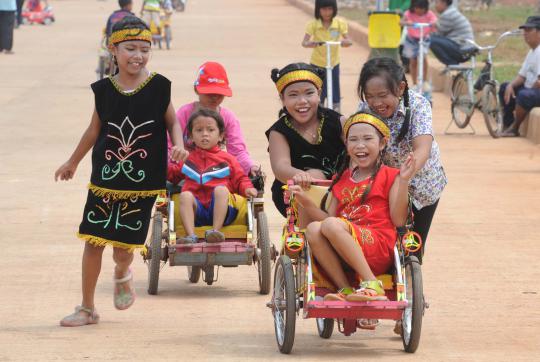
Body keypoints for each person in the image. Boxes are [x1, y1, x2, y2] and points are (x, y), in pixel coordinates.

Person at [54, 16, 188, 327]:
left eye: (145, 49)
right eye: (130, 48)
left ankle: (122, 271)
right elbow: (93, 130)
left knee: (123, 249)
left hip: (142, 181)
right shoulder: (104, 91)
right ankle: (87, 308)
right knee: (93, 239)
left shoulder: (159, 87)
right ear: (113, 49)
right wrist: (72, 161)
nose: (138, 55)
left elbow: (172, 122)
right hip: (105, 176)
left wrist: (179, 144)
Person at [289, 112, 416, 329]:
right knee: (312, 229)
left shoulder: (391, 175)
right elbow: (328, 221)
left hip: (378, 243)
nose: (360, 145)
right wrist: (307, 203)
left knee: (330, 224)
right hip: (344, 243)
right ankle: (345, 288)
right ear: (346, 145)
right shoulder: (341, 181)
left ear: (382, 143)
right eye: (353, 140)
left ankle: (371, 284)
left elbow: (398, 219)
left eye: (368, 139)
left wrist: (403, 180)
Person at [356, 57, 447, 263]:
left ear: (400, 87)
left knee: (412, 246)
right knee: (382, 244)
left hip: (421, 186)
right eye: (370, 96)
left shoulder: (419, 105)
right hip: (383, 186)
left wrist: (404, 177)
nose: (376, 103)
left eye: (383, 95)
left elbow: (422, 148)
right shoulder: (364, 109)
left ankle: (413, 288)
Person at [266, 62, 345, 222]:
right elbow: (280, 167)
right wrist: (302, 176)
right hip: (294, 191)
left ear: (319, 93)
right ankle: (307, 237)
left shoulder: (339, 121)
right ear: (282, 99)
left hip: (340, 188)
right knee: (314, 175)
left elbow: (357, 150)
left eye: (309, 93)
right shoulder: (279, 131)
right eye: (293, 95)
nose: (302, 101)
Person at [169, 108, 258, 244]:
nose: (205, 134)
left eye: (210, 130)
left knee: (221, 190)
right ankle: (190, 236)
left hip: (223, 211)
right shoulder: (187, 160)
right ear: (191, 137)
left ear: (221, 135)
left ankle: (215, 232)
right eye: (199, 130)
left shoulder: (228, 159)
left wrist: (247, 188)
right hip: (197, 212)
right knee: (185, 194)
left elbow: (240, 179)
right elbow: (173, 175)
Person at [170, 61, 259, 176]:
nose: (215, 98)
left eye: (219, 93)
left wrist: (250, 167)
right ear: (196, 89)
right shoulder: (184, 113)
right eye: (210, 93)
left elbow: (238, 151)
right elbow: (170, 146)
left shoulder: (228, 117)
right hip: (185, 170)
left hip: (215, 170)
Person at [301, 0, 352, 112]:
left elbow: (349, 40)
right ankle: (317, 110)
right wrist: (312, 43)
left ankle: (336, 111)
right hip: (317, 63)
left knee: (334, 89)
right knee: (318, 88)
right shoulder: (313, 24)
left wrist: (345, 42)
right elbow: (304, 43)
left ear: (334, 9)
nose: (327, 12)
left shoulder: (339, 23)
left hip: (333, 63)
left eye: (330, 9)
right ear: (318, 10)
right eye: (324, 9)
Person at [498, 16, 540, 137]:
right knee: (504, 87)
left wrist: (530, 89)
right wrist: (511, 85)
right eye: (524, 30)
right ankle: (507, 124)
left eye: (529, 30)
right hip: (531, 89)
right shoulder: (532, 51)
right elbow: (522, 76)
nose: (525, 34)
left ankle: (515, 128)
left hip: (536, 90)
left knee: (524, 95)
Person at [400, 0, 437, 88]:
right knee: (413, 61)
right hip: (411, 39)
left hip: (424, 38)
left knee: (423, 58)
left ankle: (424, 81)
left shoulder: (429, 14)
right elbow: (401, 22)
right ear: (413, 7)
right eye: (417, 8)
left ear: (425, 8)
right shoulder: (408, 13)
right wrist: (407, 23)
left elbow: (435, 21)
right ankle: (415, 83)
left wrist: (433, 23)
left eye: (422, 8)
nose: (419, 11)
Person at [429, 0, 474, 66]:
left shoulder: (447, 14)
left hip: (462, 49)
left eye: (436, 2)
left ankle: (451, 63)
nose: (435, 6)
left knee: (430, 40)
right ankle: (452, 63)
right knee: (432, 38)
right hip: (466, 48)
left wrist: (432, 27)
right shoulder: (451, 11)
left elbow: (439, 34)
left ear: (444, 3)